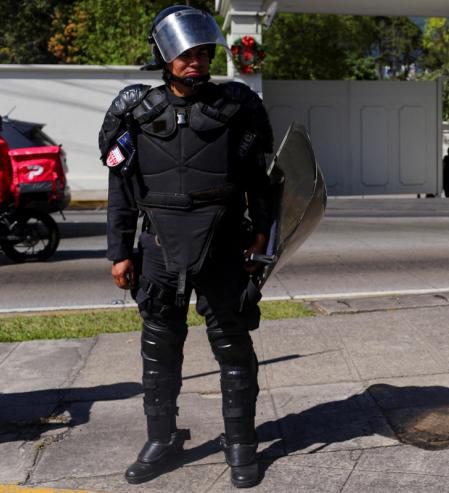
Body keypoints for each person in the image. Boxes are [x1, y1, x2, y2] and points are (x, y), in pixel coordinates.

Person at [99, 6, 273, 488]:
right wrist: (119, 251)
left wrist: (261, 233)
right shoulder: (134, 111)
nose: (195, 62)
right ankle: (161, 439)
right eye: (184, 54)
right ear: (164, 55)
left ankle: (241, 443)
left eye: (201, 53)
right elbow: (121, 190)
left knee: (233, 348)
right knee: (158, 350)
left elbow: (259, 181)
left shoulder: (235, 108)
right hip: (157, 250)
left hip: (223, 246)